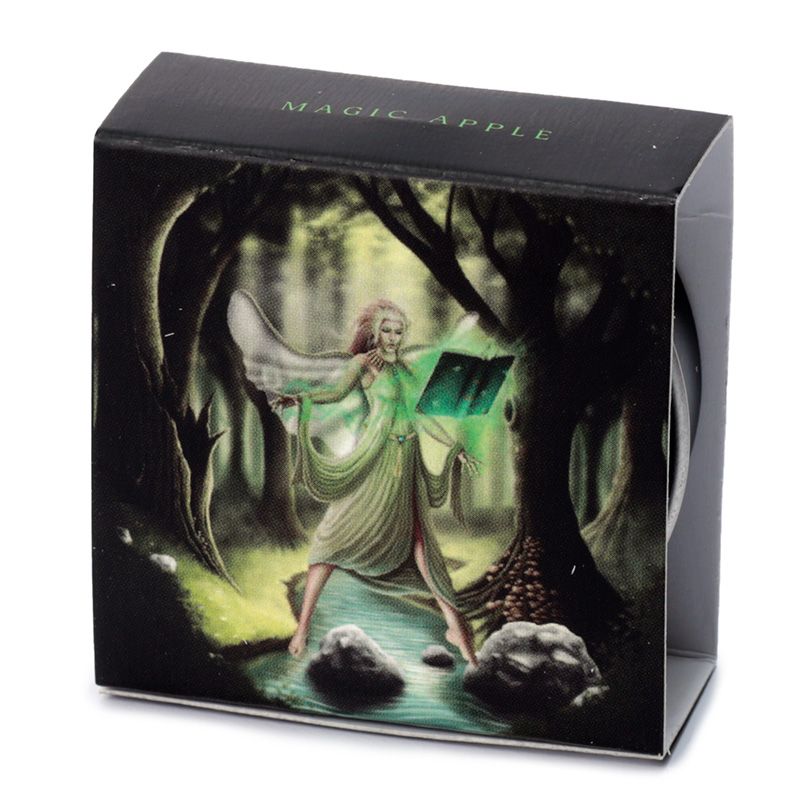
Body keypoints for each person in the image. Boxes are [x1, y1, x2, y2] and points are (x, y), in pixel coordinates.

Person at [272, 299, 479, 665]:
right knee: (334, 536)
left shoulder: (406, 371)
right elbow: (334, 394)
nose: (393, 337)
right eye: (387, 330)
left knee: (422, 543)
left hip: (408, 460)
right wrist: (301, 398)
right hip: (374, 458)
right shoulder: (363, 364)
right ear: (374, 333)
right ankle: (302, 627)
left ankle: (457, 631)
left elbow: (422, 418)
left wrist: (454, 447)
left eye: (399, 331)